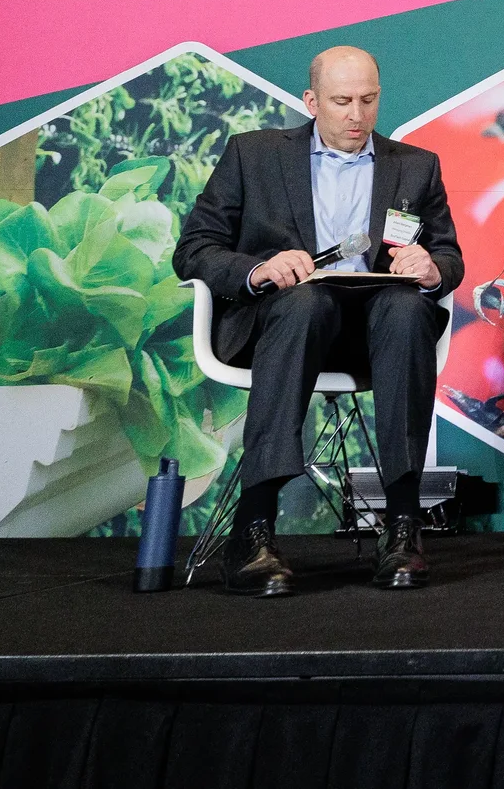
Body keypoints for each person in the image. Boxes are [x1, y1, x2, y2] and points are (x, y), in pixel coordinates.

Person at [174, 45, 461, 596]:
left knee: (406, 307)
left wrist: (431, 268)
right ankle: (253, 529)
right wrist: (260, 268)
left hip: (376, 335)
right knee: (306, 302)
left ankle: (403, 527)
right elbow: (194, 250)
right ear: (312, 101)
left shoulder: (415, 166)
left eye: (369, 100)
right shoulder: (252, 155)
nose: (358, 115)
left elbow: (449, 256)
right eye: (342, 101)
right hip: (285, 326)